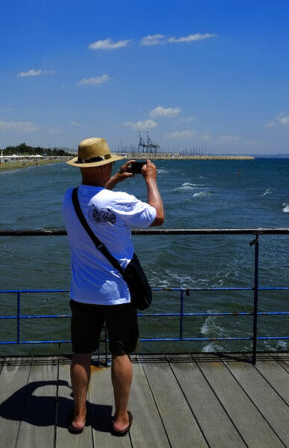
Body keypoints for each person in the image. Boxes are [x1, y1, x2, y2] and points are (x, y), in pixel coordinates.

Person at [61, 137, 164, 436]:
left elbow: (94, 203)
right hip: (118, 294)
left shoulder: (69, 197)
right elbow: (157, 216)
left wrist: (116, 179)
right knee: (121, 354)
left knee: (81, 353)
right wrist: (151, 180)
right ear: (106, 165)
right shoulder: (119, 201)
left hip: (82, 293)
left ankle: (79, 415)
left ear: (80, 166)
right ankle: (120, 418)